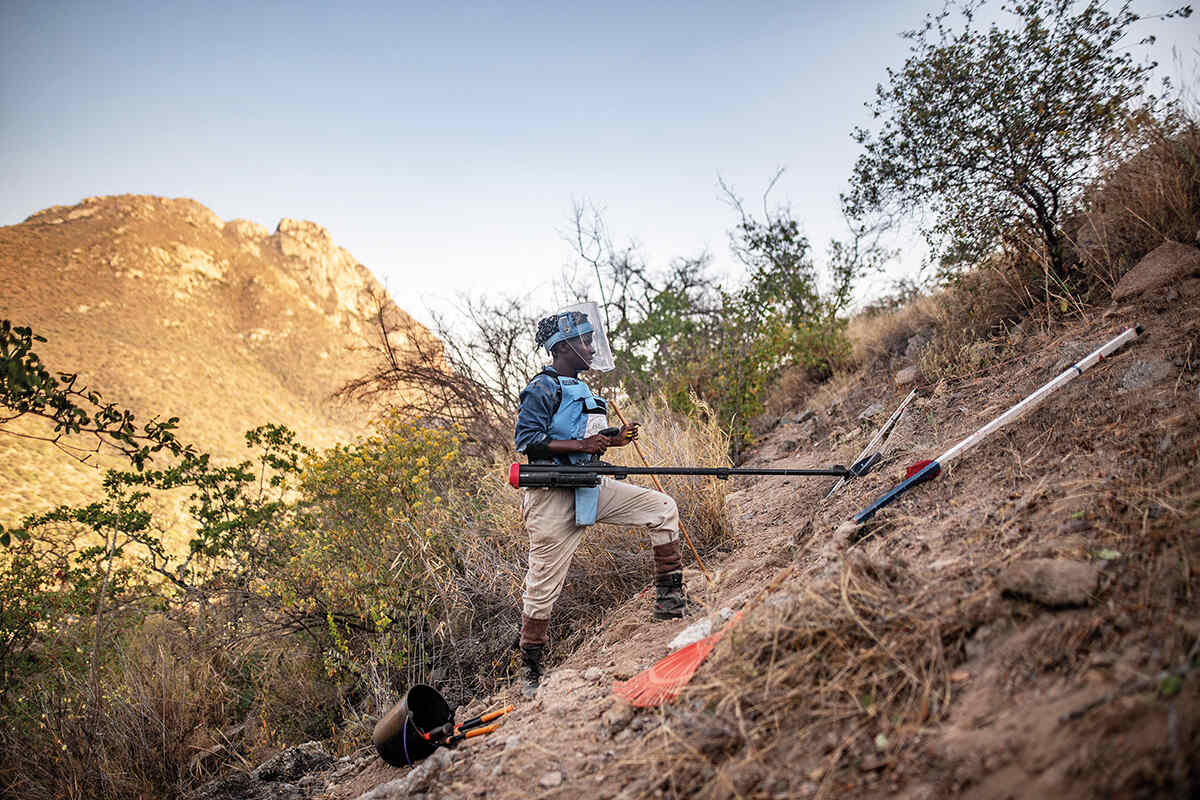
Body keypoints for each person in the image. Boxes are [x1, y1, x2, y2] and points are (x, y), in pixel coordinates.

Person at [513, 305, 688, 695]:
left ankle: (671, 602)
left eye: (593, 340)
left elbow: (584, 439)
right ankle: (530, 669)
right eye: (586, 341)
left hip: (592, 486)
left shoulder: (583, 388)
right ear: (563, 347)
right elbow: (528, 441)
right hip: (552, 496)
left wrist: (611, 439)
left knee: (663, 509)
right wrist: (581, 444)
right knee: (542, 585)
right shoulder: (543, 386)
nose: (592, 349)